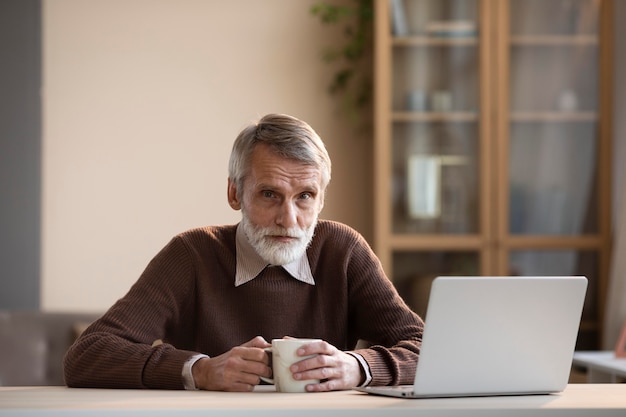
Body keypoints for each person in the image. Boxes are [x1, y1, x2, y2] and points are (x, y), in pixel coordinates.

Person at [63, 113, 424, 392]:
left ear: (320, 199)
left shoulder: (343, 251)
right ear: (235, 193)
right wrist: (200, 370)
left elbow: (427, 348)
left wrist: (357, 368)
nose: (289, 219)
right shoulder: (192, 254)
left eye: (305, 197)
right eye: (270, 194)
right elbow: (87, 354)